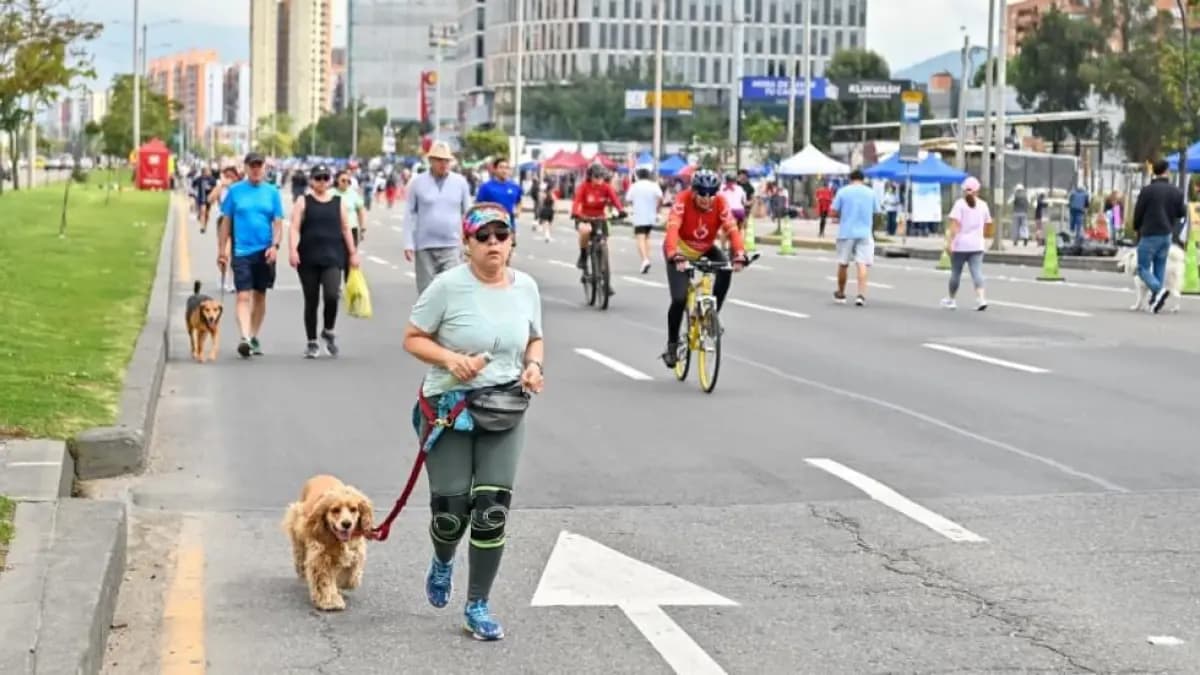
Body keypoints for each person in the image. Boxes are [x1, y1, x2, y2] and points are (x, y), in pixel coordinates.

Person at [402, 202, 545, 642]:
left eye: (501, 236)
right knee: (450, 513)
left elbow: (535, 339)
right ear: (466, 245)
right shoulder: (447, 287)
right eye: (482, 237)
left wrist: (535, 368)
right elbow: (412, 338)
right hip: (449, 410)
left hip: (505, 409)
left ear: (512, 242)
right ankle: (443, 559)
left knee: (492, 510)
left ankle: (477, 604)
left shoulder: (526, 288)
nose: (493, 245)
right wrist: (450, 359)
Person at [661, 169, 748, 367]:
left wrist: (740, 254)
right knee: (679, 299)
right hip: (679, 250)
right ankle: (672, 344)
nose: (706, 199)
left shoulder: (720, 202)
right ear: (693, 191)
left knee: (725, 267)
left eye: (711, 194)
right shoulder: (682, 200)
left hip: (705, 249)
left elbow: (732, 228)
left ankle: (710, 316)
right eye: (701, 193)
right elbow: (673, 227)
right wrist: (674, 254)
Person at [288, 164, 362, 358]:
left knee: (331, 294)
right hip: (308, 257)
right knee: (311, 300)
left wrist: (353, 253)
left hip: (333, 256)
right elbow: (294, 228)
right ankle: (312, 342)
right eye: (318, 178)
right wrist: (293, 250)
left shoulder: (339, 202)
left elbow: (346, 229)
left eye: (325, 178)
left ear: (330, 181)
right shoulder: (303, 201)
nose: (321, 182)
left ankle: (328, 330)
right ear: (311, 180)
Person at [218, 152, 285, 358]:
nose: (256, 169)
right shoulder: (235, 192)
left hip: (264, 251)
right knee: (242, 295)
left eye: (259, 166)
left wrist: (275, 245)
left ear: (264, 168)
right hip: (241, 251)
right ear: (246, 168)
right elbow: (226, 221)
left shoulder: (272, 192)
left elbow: (278, 222)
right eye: (252, 166)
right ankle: (245, 337)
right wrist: (222, 251)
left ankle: (254, 335)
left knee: (260, 295)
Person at [403, 142, 474, 294]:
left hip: (451, 244)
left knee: (451, 289)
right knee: (427, 292)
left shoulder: (460, 182)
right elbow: (409, 213)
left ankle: (447, 318)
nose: (444, 164)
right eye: (439, 160)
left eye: (446, 160)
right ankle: (430, 318)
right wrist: (408, 242)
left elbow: (468, 213)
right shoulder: (417, 182)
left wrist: (470, 242)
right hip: (425, 245)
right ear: (431, 161)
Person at [1131, 158, 1187, 314]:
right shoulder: (1176, 191)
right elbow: (1181, 213)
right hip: (1166, 233)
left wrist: (1136, 228)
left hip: (1149, 233)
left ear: (1153, 171)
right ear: (1166, 171)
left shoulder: (1147, 190)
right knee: (1159, 266)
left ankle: (1159, 290)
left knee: (1142, 267)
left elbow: (1139, 212)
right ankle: (1155, 300)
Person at [829, 168, 879, 307]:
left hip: (846, 232)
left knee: (843, 263)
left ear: (850, 179)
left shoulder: (843, 191)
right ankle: (861, 295)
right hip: (865, 232)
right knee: (862, 263)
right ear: (863, 179)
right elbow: (877, 212)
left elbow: (833, 211)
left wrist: (842, 216)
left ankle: (841, 293)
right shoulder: (870, 193)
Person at [941, 176, 991, 311]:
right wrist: (983, 238)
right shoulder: (983, 205)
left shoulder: (959, 204)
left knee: (956, 273)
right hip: (977, 245)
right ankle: (981, 298)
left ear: (964, 191)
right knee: (977, 272)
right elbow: (988, 225)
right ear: (978, 191)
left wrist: (949, 242)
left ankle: (951, 299)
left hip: (960, 245)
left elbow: (954, 226)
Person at [570, 164, 625, 271]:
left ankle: (604, 279)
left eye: (601, 176)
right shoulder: (584, 187)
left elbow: (615, 200)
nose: (599, 179)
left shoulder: (606, 187)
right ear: (590, 176)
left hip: (600, 217)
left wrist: (621, 210)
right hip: (585, 217)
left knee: (604, 239)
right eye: (596, 176)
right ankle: (583, 255)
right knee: (585, 231)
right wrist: (575, 212)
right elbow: (577, 201)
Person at [626, 168, 664, 273]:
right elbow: (661, 197)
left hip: (639, 216)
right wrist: (657, 209)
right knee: (647, 237)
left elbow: (628, 199)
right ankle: (646, 258)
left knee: (640, 238)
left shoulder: (635, 186)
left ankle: (644, 259)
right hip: (651, 215)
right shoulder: (654, 185)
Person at [474, 158, 523, 239]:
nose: (504, 170)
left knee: (509, 250)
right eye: (501, 167)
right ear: (495, 169)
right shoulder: (486, 187)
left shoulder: (514, 186)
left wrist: (518, 211)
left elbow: (519, 201)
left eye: (507, 168)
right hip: (490, 228)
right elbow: (478, 206)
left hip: (509, 226)